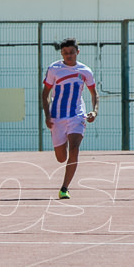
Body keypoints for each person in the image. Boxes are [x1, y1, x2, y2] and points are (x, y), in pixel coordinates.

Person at [41, 38, 98, 200]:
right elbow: (45, 94)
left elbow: (94, 94)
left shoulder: (85, 71)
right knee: (61, 158)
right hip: (57, 117)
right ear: (62, 53)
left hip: (77, 115)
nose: (69, 56)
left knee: (74, 149)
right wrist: (47, 115)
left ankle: (64, 188)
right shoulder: (54, 69)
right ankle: (63, 143)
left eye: (71, 52)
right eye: (65, 53)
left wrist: (94, 111)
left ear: (77, 52)